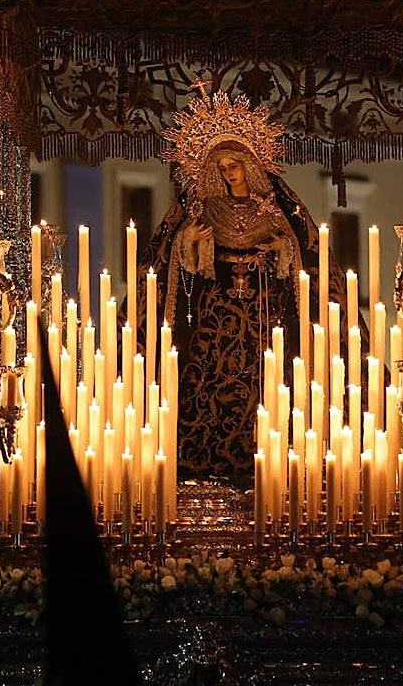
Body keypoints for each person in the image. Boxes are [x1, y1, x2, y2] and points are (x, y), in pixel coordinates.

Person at [141, 82, 339, 486]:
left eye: (234, 165)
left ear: (251, 164)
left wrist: (281, 248)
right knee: (204, 382)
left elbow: (301, 255)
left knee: (267, 384)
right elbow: (178, 260)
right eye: (223, 168)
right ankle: (202, 461)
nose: (229, 173)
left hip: (263, 312)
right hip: (216, 313)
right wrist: (190, 243)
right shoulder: (208, 207)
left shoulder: (273, 208)